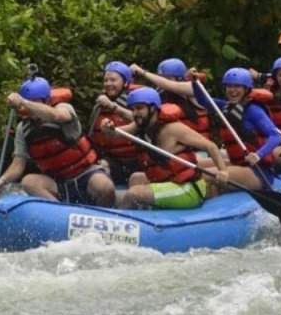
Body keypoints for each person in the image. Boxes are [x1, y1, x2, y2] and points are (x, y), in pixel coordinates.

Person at [0, 76, 115, 207]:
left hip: (85, 173)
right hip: (57, 182)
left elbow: (56, 115)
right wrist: (2, 181)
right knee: (28, 181)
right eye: (27, 103)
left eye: (35, 102)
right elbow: (18, 164)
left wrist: (24, 101)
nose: (29, 108)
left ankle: (105, 216)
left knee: (104, 186)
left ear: (47, 101)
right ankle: (61, 213)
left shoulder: (64, 108)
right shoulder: (23, 129)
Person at [101, 88, 229, 209]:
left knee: (134, 193)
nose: (135, 113)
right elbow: (112, 134)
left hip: (187, 189)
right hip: (167, 182)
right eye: (133, 109)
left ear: (153, 108)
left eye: (140, 108)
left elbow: (210, 146)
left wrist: (223, 171)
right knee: (135, 178)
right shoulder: (140, 126)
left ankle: (125, 226)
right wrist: (106, 127)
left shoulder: (173, 129)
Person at [191, 67, 281, 192]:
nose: (232, 90)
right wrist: (195, 82)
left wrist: (258, 155)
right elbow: (203, 100)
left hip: (258, 171)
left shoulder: (253, 110)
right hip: (238, 164)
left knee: (205, 174)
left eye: (237, 86)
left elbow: (276, 136)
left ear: (246, 89)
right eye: (229, 86)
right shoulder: (225, 106)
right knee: (195, 167)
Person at [87, 61, 142, 185]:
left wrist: (113, 107)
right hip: (112, 160)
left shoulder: (138, 102)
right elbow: (90, 136)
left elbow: (143, 121)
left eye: (113, 80)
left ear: (126, 83)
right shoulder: (99, 106)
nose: (108, 84)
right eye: (106, 80)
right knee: (100, 168)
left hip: (138, 160)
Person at [130, 58, 212, 140]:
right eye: (161, 77)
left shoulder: (192, 88)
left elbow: (169, 85)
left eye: (167, 78)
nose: (160, 82)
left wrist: (142, 72)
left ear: (179, 78)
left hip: (199, 147)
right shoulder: (160, 93)